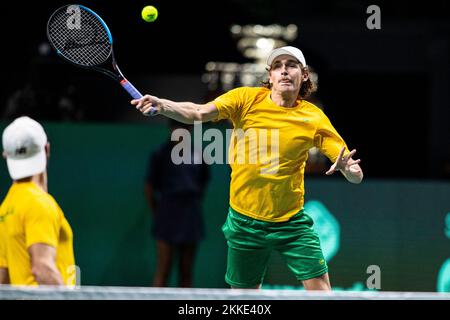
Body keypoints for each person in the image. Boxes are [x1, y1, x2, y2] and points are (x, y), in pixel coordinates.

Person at [132, 46, 363, 290]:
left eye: (291, 65)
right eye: (277, 66)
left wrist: (349, 171)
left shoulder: (314, 117)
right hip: (244, 221)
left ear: (304, 75)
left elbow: (355, 173)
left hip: (291, 222)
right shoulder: (245, 99)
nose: (284, 71)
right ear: (270, 75)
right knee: (244, 301)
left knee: (322, 293)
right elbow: (199, 112)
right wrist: (163, 104)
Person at [0, 116, 76, 286]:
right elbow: (42, 268)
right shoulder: (40, 203)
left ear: (6, 155)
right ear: (47, 149)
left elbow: (2, 278)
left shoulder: (6, 208)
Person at [145, 119, 210, 287]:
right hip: (166, 214)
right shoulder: (160, 154)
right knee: (163, 268)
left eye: (185, 128)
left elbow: (203, 183)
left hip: (191, 214)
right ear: (171, 130)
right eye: (177, 128)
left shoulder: (199, 154)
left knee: (186, 270)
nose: (181, 132)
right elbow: (149, 187)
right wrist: (158, 214)